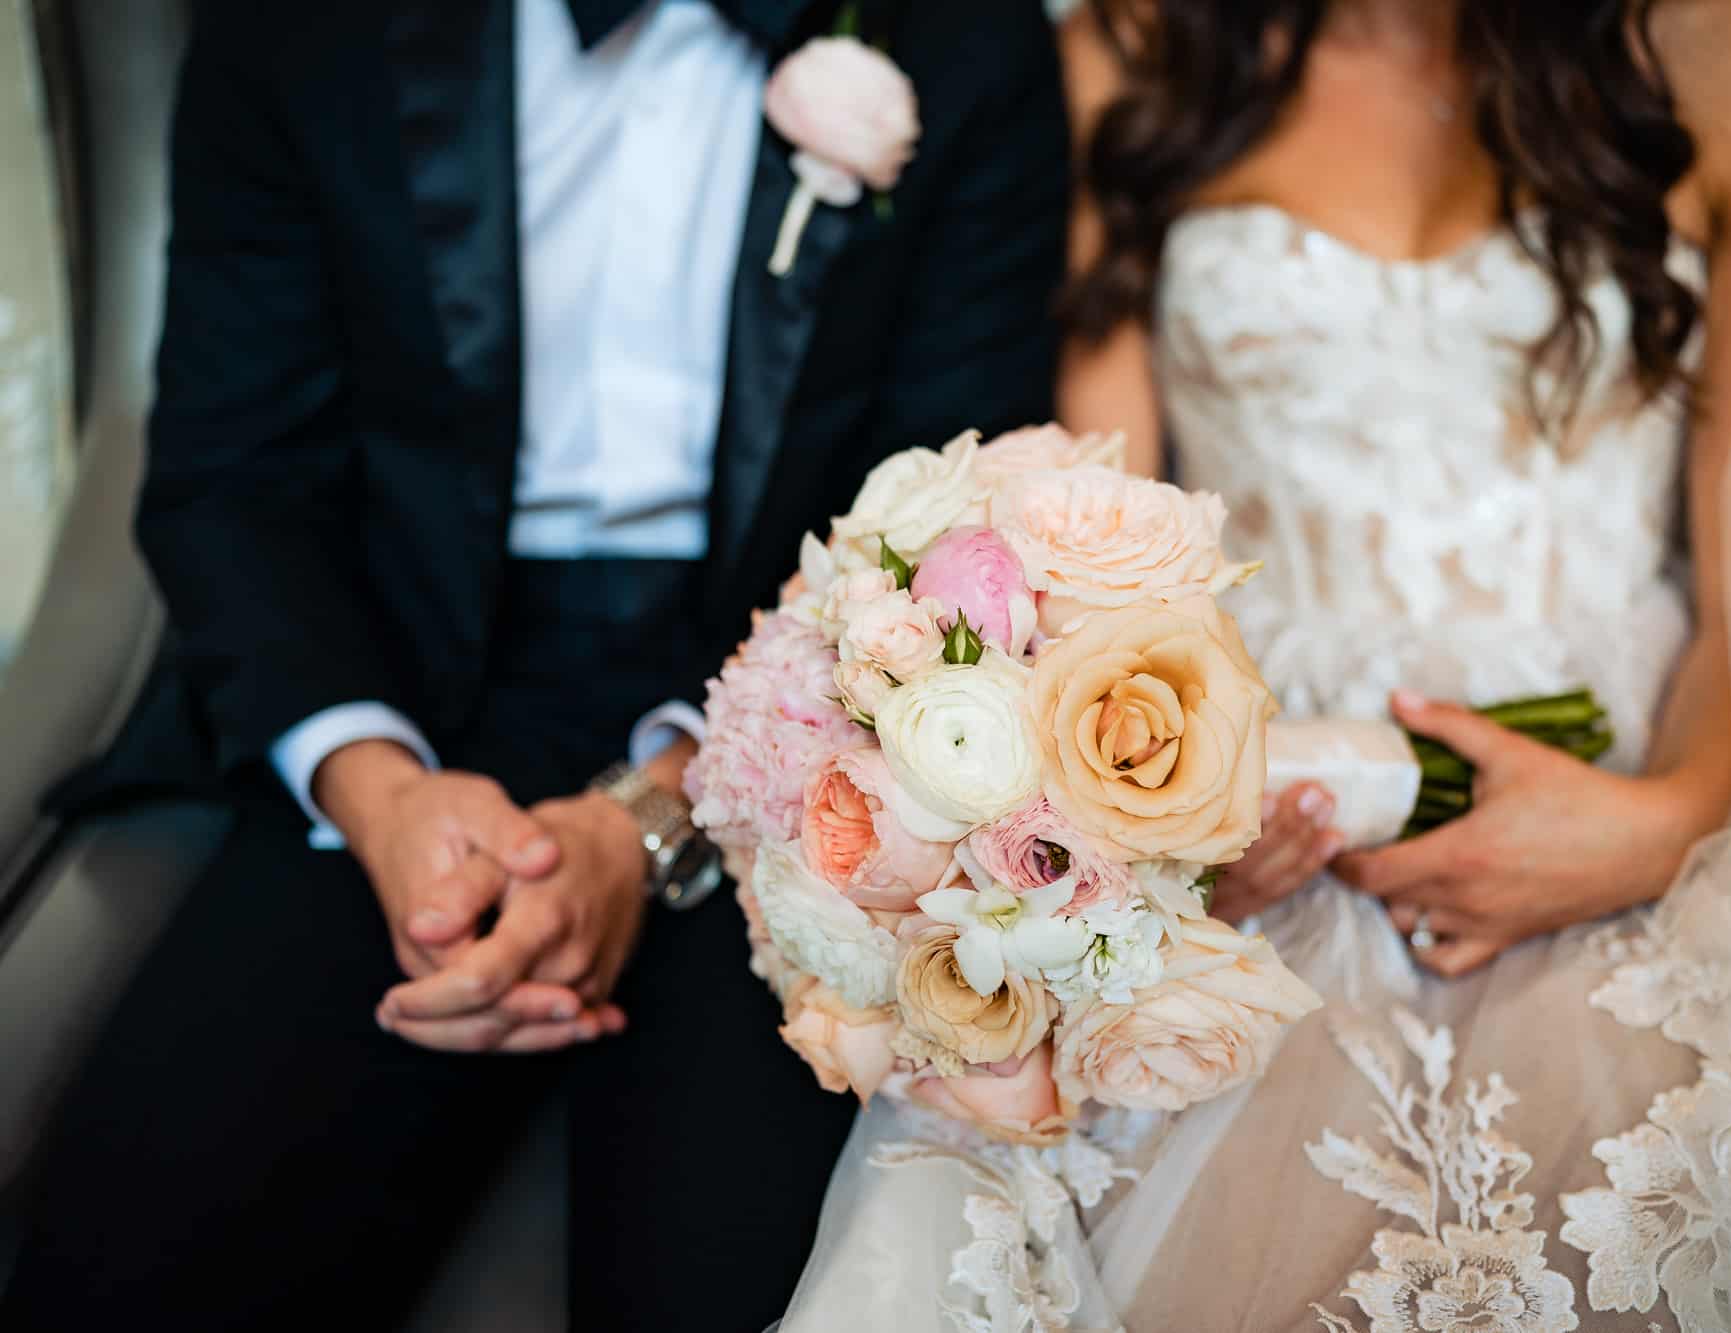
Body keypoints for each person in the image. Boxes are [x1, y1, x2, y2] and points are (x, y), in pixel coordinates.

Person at [773, 0, 1731, 1328]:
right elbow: (1096, 549)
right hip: (1250, 788)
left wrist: (1663, 829)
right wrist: (1160, 842)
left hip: (1639, 778)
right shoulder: (1129, 57)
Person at [0, 1, 1066, 1329]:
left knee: (742, 1279)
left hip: (794, 707)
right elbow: (235, 477)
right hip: (400, 677)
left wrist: (663, 808)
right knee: (127, 1257)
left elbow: (948, 520)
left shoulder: (963, 38)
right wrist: (379, 791)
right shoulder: (293, 26)